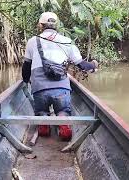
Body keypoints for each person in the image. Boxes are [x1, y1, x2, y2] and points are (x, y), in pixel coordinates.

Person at [22, 12, 98, 141]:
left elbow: (26, 68)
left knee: (41, 111)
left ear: (41, 25)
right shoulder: (67, 41)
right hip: (61, 89)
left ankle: (44, 123)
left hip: (39, 89)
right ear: (56, 25)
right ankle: (63, 121)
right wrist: (93, 64)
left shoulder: (32, 41)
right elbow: (82, 65)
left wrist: (26, 81)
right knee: (63, 110)